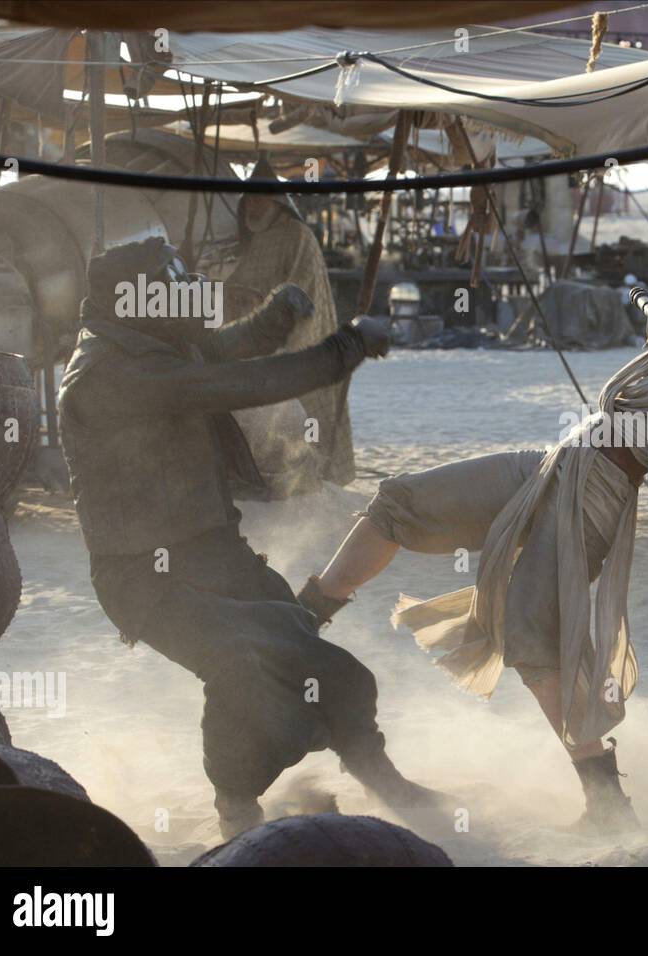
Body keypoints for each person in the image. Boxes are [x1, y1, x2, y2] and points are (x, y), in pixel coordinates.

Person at [297, 238, 648, 831]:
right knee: (399, 500)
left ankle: (607, 803)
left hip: (595, 496)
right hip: (557, 461)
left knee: (534, 640)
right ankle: (302, 621)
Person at [57, 237, 444, 839]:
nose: (185, 295)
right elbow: (240, 383)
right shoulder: (111, 375)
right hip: (147, 580)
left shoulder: (151, 344)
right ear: (134, 302)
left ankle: (382, 777)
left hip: (215, 552)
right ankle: (237, 809)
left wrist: (277, 316)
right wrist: (348, 347)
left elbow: (221, 352)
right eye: (170, 287)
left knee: (332, 672)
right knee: (248, 670)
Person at [227, 154, 356, 485]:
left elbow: (302, 293)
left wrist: (283, 342)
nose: (254, 207)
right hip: (253, 346)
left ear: (276, 202)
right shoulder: (254, 239)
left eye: (261, 199)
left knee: (307, 415)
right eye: (250, 200)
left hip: (296, 344)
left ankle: (317, 479)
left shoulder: (297, 236)